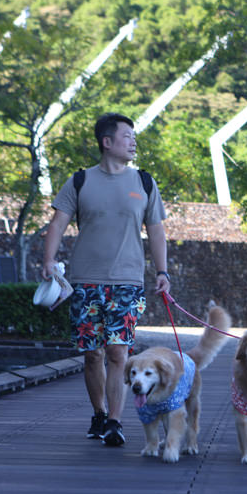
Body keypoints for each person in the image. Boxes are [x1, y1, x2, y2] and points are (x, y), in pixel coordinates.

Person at [41, 113, 171, 447]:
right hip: (85, 282)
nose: (133, 142)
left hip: (127, 282)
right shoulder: (79, 181)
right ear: (107, 142)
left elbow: (156, 231)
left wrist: (162, 272)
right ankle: (98, 413)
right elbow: (57, 224)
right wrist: (48, 260)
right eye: (127, 136)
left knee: (118, 352)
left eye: (134, 136)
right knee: (92, 355)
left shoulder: (144, 182)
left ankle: (115, 421)